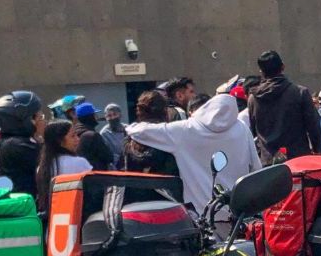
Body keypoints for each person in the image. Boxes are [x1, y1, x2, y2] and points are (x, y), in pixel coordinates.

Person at [125, 94, 262, 212]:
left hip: (203, 212)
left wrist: (129, 127)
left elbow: (141, 132)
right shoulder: (242, 129)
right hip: (238, 209)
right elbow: (256, 168)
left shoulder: (186, 129)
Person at [248, 50, 321, 162]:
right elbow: (314, 126)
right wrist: (317, 149)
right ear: (283, 67)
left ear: (261, 72)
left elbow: (253, 131)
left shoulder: (253, 99)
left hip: (268, 163)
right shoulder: (300, 93)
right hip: (298, 161)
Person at [0, 90, 47, 197]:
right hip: (26, 206)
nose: (44, 121)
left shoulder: (5, 142)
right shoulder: (19, 146)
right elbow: (50, 164)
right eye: (40, 117)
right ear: (25, 120)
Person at [36, 119, 93, 214]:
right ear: (60, 141)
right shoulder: (80, 163)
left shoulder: (42, 168)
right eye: (73, 136)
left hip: (54, 219)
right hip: (77, 217)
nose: (78, 139)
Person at [124, 91, 182, 182]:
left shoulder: (130, 136)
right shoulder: (171, 138)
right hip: (165, 193)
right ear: (164, 111)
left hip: (135, 192)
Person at [73, 102, 114, 170]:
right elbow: (108, 157)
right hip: (95, 176)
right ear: (90, 117)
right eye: (95, 114)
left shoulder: (74, 133)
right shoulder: (93, 136)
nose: (97, 117)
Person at [99, 103, 127, 168]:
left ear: (120, 115)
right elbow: (107, 154)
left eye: (115, 114)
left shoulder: (128, 129)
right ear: (106, 117)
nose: (112, 117)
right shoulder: (104, 133)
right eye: (109, 115)